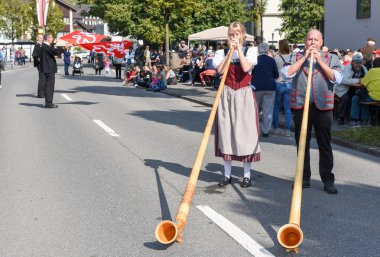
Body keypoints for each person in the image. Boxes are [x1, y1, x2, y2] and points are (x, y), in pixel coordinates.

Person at [281, 29, 342, 194]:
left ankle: (328, 180)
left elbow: (336, 78)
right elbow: (286, 74)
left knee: (324, 144)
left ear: (321, 42)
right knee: (302, 144)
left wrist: (320, 61)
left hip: (322, 107)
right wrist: (304, 58)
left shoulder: (332, 58)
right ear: (305, 41)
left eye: (316, 40)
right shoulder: (295, 56)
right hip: (301, 105)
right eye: (310, 40)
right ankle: (303, 178)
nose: (313, 42)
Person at [213, 22, 260, 188]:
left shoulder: (251, 51)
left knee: (246, 133)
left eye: (237, 33)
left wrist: (238, 49)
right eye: (231, 34)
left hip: (244, 94)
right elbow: (219, 71)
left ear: (243, 35)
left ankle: (246, 175)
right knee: (227, 133)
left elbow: (246, 68)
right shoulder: (221, 52)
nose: (234, 36)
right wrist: (229, 52)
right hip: (226, 94)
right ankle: (227, 175)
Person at [252, 42, 279, 138]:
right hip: (270, 87)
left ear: (259, 50)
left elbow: (251, 73)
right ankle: (266, 131)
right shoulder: (271, 60)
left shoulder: (255, 60)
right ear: (267, 50)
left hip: (256, 87)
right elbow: (276, 74)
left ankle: (255, 129)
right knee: (268, 110)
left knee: (255, 109)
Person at [335, 53, 367, 125]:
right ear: (352, 62)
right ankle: (341, 117)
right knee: (346, 98)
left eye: (360, 62)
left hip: (357, 89)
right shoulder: (347, 68)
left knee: (363, 97)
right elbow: (344, 80)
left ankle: (360, 119)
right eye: (357, 62)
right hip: (344, 89)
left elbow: (367, 77)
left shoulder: (363, 68)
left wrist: (361, 82)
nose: (359, 64)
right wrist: (358, 80)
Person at [39, 33, 66, 108]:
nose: (52, 39)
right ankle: (49, 103)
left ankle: (48, 102)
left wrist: (57, 43)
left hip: (47, 68)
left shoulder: (44, 46)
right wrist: (64, 48)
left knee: (48, 86)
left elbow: (52, 48)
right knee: (50, 86)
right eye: (51, 38)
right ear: (48, 38)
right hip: (49, 69)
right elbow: (55, 52)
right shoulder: (46, 46)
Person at [272, 39, 293, 136]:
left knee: (276, 107)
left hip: (279, 82)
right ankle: (287, 130)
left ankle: (275, 127)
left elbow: (274, 72)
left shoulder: (276, 58)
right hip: (289, 83)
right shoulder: (292, 57)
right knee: (287, 108)